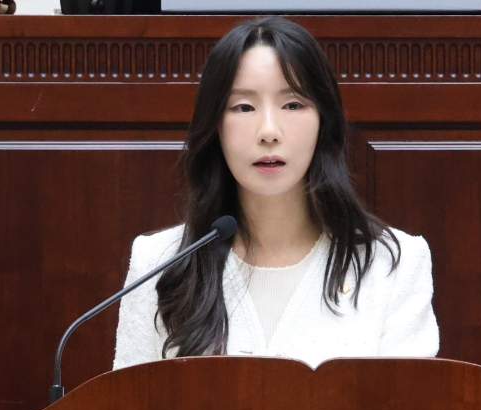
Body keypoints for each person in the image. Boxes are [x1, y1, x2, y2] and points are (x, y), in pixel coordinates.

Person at [113, 16, 438, 371]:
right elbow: (130, 404)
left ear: (324, 121)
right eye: (244, 107)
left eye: (292, 105)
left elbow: (406, 406)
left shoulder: (392, 264)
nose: (269, 131)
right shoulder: (158, 263)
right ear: (215, 125)